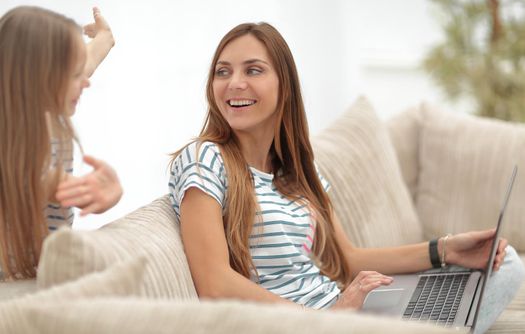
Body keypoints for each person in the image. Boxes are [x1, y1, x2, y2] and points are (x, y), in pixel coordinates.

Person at [168, 22, 524, 331]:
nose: (234, 84)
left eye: (253, 70)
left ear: (285, 85)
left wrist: (446, 250)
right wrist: (322, 321)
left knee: (504, 261)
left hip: (343, 314)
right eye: (223, 71)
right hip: (310, 324)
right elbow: (214, 282)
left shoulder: (296, 173)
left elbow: (348, 260)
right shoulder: (205, 158)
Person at [0, 6, 122, 280]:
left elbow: (85, 62)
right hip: (16, 278)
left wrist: (104, 37)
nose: (87, 82)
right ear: (38, 79)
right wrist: (100, 189)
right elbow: (45, 181)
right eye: (76, 75)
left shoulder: (43, 104)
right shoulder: (16, 134)